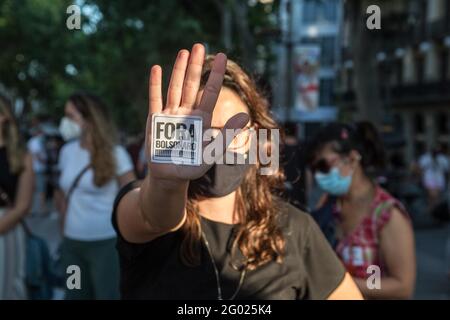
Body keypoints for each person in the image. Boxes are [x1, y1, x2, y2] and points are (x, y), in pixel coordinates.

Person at [112, 43, 362, 300]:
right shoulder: (144, 206)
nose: (218, 145)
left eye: (233, 131)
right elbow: (153, 217)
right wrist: (166, 185)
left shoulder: (295, 229)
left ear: (255, 134)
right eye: (203, 132)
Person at [307, 122, 416, 299]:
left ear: (351, 159)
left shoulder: (387, 215)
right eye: (314, 169)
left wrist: (343, 284)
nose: (319, 175)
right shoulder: (328, 205)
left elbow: (402, 286)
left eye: (323, 166)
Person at [54, 93, 135, 299]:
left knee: (106, 295)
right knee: (75, 294)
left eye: (70, 116)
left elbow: (132, 197)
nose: (65, 122)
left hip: (105, 245)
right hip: (72, 246)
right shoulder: (67, 151)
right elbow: (61, 195)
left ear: (89, 118)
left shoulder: (117, 154)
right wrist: (64, 230)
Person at [0, 95, 34, 299]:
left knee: (6, 288)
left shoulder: (21, 155)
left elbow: (23, 205)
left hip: (7, 229)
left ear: (4, 116)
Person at [418, 147, 449, 215]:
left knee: (437, 196)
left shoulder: (442, 158)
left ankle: (435, 209)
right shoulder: (425, 158)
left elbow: (446, 170)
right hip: (429, 178)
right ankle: (433, 209)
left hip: (439, 179)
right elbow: (421, 168)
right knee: (432, 195)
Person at [27, 117, 48, 215]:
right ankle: (42, 209)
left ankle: (31, 209)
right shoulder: (35, 141)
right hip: (38, 168)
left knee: (34, 189)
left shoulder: (32, 141)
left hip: (34, 169)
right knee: (41, 190)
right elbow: (36, 154)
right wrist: (43, 161)